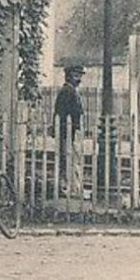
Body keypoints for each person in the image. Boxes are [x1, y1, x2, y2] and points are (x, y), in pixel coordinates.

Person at [55, 65, 86, 198]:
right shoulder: (68, 91)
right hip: (69, 132)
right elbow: (64, 114)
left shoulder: (72, 90)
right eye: (75, 76)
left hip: (71, 132)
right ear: (68, 76)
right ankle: (71, 189)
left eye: (80, 76)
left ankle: (72, 187)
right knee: (71, 160)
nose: (78, 79)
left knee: (73, 160)